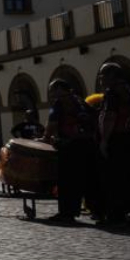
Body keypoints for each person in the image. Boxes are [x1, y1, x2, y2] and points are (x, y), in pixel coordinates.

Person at [96, 63, 130, 228]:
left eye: (103, 76)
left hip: (117, 138)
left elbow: (110, 117)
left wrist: (104, 141)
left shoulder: (112, 93)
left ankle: (116, 216)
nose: (100, 79)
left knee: (115, 179)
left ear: (112, 76)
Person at [44, 79, 98, 223]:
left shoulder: (59, 103)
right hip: (88, 143)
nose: (51, 93)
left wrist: (46, 138)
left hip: (69, 145)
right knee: (87, 179)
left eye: (52, 90)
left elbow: (52, 123)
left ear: (60, 89)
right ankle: (97, 211)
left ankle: (67, 213)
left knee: (67, 181)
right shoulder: (80, 101)